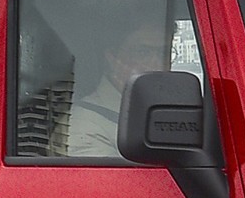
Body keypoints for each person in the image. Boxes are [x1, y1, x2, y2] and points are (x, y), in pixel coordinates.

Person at [63, 14, 171, 158]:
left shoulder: (159, 108)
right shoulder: (86, 124)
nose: (158, 64)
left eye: (164, 53)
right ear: (112, 57)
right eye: (143, 52)